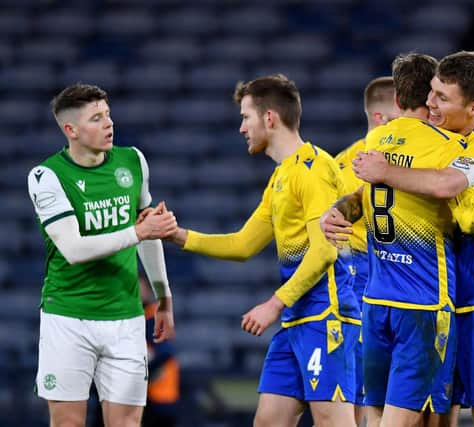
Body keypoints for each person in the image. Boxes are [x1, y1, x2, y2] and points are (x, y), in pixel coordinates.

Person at [151, 74, 361, 427]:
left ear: (270, 118)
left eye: (246, 117)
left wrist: (273, 304)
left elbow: (324, 251)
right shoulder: (282, 177)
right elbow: (243, 243)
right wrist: (179, 235)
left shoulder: (313, 169)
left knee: (333, 423)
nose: (241, 128)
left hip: (326, 318)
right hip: (296, 321)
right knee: (267, 422)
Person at [352, 51, 474, 427]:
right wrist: (348, 205)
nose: (430, 104)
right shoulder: (433, 143)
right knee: (431, 420)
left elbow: (464, 212)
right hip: (435, 301)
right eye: (431, 92)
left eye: (442, 98)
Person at [27, 83, 177, 427]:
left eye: (108, 114)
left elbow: (148, 230)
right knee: (67, 423)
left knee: (126, 423)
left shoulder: (133, 161)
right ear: (71, 130)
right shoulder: (46, 176)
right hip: (67, 317)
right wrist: (139, 231)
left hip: (126, 318)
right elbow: (75, 249)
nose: (109, 123)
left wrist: (163, 295)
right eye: (96, 118)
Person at [334, 76, 400, 426]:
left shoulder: (407, 159)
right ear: (379, 118)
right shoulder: (345, 170)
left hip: (401, 280)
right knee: (363, 386)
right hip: (361, 280)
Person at [139, 274, 180, 427]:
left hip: (160, 394)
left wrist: (141, 374)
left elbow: (166, 351)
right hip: (146, 395)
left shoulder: (154, 315)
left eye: (141, 287)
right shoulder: (138, 317)